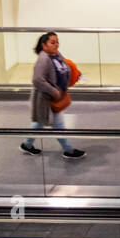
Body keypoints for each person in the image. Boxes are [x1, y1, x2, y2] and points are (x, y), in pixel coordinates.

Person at [21, 31, 86, 159]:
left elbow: (65, 66)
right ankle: (69, 150)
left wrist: (75, 73)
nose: (56, 44)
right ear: (44, 45)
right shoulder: (43, 59)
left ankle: (27, 144)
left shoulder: (56, 55)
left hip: (55, 96)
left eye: (57, 42)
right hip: (46, 99)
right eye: (52, 42)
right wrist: (53, 91)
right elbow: (37, 80)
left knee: (39, 123)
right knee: (59, 125)